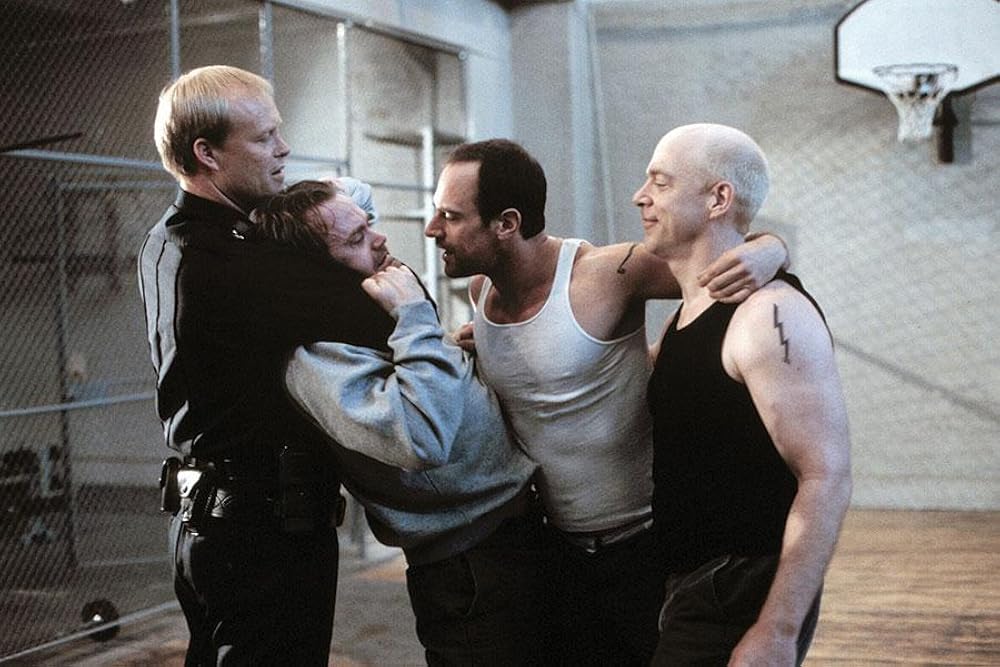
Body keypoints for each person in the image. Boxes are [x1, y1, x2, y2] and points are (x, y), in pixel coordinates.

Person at [424, 138, 790, 665]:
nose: (433, 229)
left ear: (506, 223)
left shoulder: (606, 273)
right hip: (558, 552)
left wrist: (771, 248)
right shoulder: (481, 294)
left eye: (450, 216)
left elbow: (718, 262)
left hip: (647, 548)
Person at [138, 65, 397, 665]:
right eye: (263, 138)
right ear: (206, 154)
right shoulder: (239, 265)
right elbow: (388, 318)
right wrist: (363, 246)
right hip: (260, 533)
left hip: (218, 521)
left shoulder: (169, 238)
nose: (284, 149)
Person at [248, 179, 555, 665]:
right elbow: (420, 436)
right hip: (468, 561)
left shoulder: (355, 316)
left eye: (368, 224)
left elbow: (419, 386)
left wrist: (449, 352)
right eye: (355, 238)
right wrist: (414, 317)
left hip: (507, 534)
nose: (379, 239)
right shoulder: (315, 357)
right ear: (312, 269)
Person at [633, 123, 852, 665]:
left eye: (660, 182)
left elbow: (826, 477)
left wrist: (778, 629)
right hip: (690, 582)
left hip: (736, 588)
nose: (641, 196)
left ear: (718, 199)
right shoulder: (688, 314)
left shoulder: (769, 315)